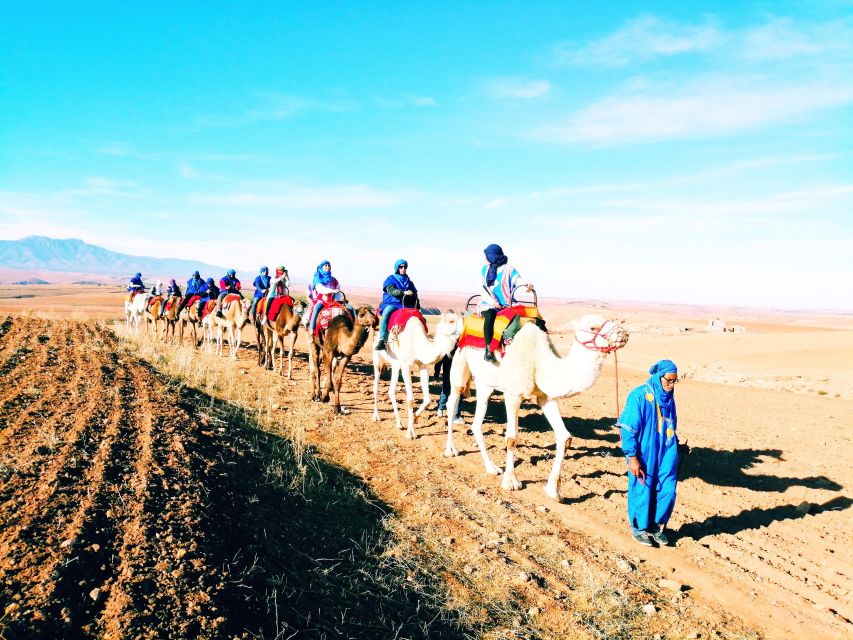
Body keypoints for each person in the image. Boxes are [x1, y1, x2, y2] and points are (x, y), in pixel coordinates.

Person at [618, 359, 680, 547]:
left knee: (667, 489)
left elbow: (670, 424)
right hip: (645, 452)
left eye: (674, 381)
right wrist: (632, 457)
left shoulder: (669, 399)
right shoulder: (639, 396)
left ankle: (655, 526)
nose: (670, 385)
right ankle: (639, 528)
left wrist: (676, 443)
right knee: (643, 488)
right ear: (658, 377)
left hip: (666, 451)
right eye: (668, 380)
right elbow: (628, 429)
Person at [479, 244, 534, 363]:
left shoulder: (509, 269)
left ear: (492, 256)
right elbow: (483, 289)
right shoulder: (485, 269)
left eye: (487, 255)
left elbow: (519, 282)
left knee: (523, 316)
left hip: (506, 303)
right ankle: (489, 350)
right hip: (489, 303)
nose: (485, 258)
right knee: (489, 315)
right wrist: (493, 303)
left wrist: (527, 286)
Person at [375, 259, 420, 351]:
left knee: (418, 317)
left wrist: (416, 303)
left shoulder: (409, 282)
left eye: (405, 267)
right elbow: (391, 291)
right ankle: (382, 340)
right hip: (393, 303)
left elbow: (415, 293)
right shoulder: (390, 279)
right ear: (397, 268)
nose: (403, 269)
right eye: (401, 267)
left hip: (406, 305)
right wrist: (403, 292)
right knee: (386, 313)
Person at [306, 261, 340, 333]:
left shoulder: (333, 279)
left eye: (329, 265)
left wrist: (336, 290)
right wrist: (333, 290)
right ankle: (312, 328)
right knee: (317, 308)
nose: (328, 267)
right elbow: (321, 289)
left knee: (347, 308)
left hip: (333, 300)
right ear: (321, 268)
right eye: (326, 266)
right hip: (321, 299)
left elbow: (338, 287)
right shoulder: (317, 278)